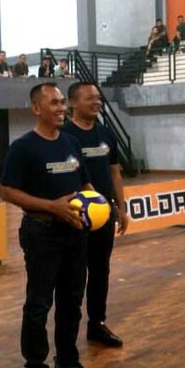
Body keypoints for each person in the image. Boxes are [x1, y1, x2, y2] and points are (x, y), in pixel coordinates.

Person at [1, 82, 100, 368]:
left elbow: (85, 183)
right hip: (41, 233)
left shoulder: (71, 143)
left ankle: (67, 363)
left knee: (72, 301)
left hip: (75, 233)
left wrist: (98, 206)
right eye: (54, 103)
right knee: (39, 304)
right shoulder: (23, 147)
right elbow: (8, 191)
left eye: (62, 102)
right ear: (36, 108)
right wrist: (51, 207)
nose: (61, 108)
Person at [62, 82, 128, 348]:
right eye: (90, 98)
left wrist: (121, 207)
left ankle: (97, 324)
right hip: (75, 217)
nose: (97, 102)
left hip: (104, 215)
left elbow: (115, 173)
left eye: (98, 98)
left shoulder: (106, 133)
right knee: (74, 274)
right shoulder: (64, 135)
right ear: (73, 103)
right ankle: (68, 333)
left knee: (101, 271)